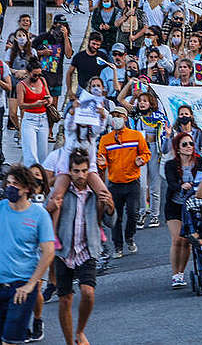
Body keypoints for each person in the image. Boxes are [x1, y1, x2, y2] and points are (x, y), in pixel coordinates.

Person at [53, 149, 111, 345]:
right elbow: (47, 211)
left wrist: (110, 207)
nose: (80, 175)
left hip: (87, 249)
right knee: (65, 299)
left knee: (88, 292)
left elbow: (111, 220)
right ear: (69, 171)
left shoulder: (95, 194)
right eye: (76, 171)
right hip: (64, 251)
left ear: (89, 171)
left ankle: (80, 331)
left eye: (84, 171)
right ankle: (70, 341)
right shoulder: (62, 192)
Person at [0, 165, 55, 345]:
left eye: (15, 184)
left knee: (10, 341)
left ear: (27, 189)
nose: (10, 187)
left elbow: (48, 252)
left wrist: (31, 284)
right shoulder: (1, 208)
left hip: (22, 287)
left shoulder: (39, 215)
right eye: (8, 183)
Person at [96, 105, 150, 258]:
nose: (116, 119)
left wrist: (142, 159)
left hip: (133, 181)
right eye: (113, 116)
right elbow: (102, 161)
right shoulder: (106, 139)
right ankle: (118, 246)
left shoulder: (136, 136)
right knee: (116, 217)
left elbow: (146, 152)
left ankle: (130, 237)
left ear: (125, 118)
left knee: (133, 213)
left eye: (119, 115)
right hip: (114, 183)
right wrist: (100, 162)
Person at [164, 131, 202, 289]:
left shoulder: (199, 162)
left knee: (187, 241)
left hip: (192, 205)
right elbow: (171, 183)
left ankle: (181, 272)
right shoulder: (171, 165)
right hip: (175, 204)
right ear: (178, 148)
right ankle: (175, 274)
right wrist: (181, 186)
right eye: (184, 144)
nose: (189, 147)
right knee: (177, 239)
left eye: (191, 144)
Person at [15, 59, 54, 168]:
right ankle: (31, 179)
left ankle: (41, 178)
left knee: (43, 154)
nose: (37, 77)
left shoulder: (42, 80)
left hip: (43, 119)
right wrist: (34, 104)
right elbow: (21, 105)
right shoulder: (21, 85)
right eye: (34, 75)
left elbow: (48, 94)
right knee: (30, 154)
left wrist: (49, 100)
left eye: (39, 74)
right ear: (28, 72)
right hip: (29, 120)